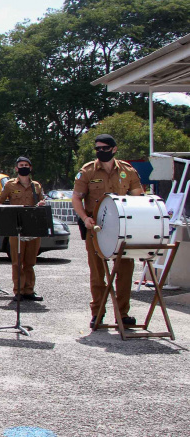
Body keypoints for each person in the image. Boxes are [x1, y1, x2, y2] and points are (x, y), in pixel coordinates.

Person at [72, 134, 143, 327]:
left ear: (114, 149)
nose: (101, 151)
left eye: (105, 148)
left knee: (125, 272)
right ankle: (98, 313)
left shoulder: (127, 171)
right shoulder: (87, 171)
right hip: (96, 228)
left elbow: (138, 197)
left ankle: (123, 313)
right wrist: (85, 218)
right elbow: (76, 197)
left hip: (124, 229)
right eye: (98, 149)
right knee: (97, 274)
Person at [0, 157, 46, 301]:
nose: (23, 167)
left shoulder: (36, 186)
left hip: (33, 227)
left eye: (26, 165)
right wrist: (8, 211)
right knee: (17, 261)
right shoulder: (10, 185)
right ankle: (18, 290)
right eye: (21, 165)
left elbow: (42, 202)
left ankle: (29, 290)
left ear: (30, 168)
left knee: (30, 262)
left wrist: (42, 204)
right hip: (17, 227)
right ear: (16, 169)